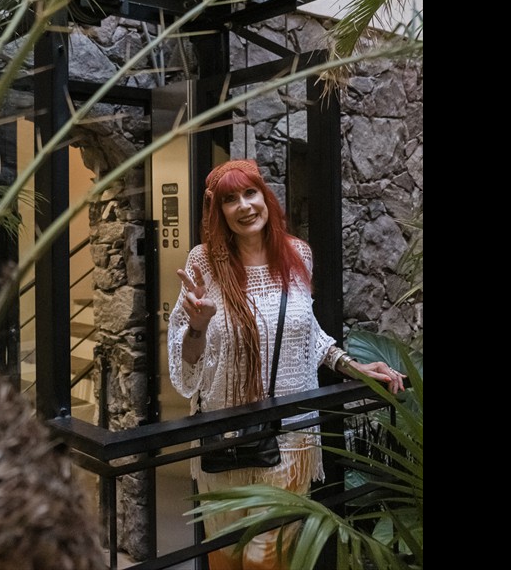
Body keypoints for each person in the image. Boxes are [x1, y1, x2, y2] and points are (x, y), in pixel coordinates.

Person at [168, 159, 405, 570]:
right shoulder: (202, 262)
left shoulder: (297, 254)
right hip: (224, 436)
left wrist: (354, 366)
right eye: (230, 199)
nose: (244, 206)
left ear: (265, 196)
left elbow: (306, 333)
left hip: (290, 435)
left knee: (266, 560)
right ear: (218, 211)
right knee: (225, 560)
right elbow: (186, 361)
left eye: (251, 193)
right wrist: (198, 327)